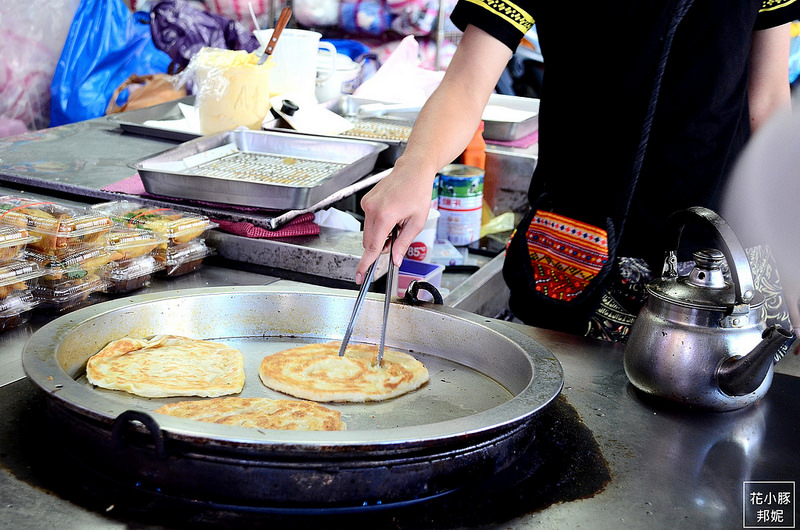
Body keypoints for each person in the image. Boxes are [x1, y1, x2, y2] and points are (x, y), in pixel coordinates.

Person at [355, 1, 800, 334]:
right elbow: (467, 85)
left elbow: (768, 102)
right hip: (576, 253)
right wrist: (415, 167)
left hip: (723, 262)